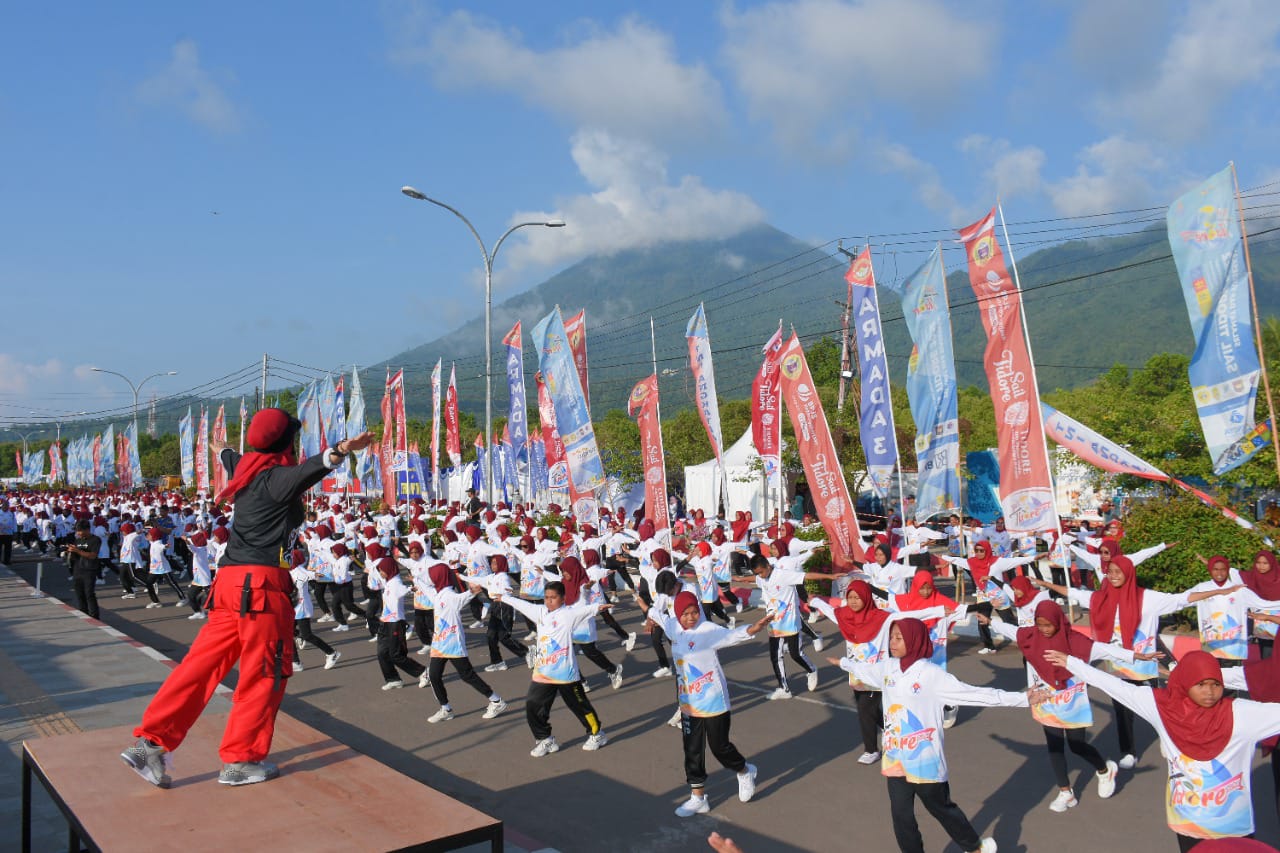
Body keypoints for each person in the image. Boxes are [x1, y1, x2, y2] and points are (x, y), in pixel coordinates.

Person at [120, 409, 372, 788]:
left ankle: (150, 743)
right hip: (262, 589)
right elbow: (311, 469)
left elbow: (231, 458)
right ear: (286, 443)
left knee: (198, 668)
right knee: (263, 674)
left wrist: (221, 449)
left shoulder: (246, 469)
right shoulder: (276, 478)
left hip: (228, 584)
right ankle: (241, 760)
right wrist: (341, 449)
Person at [836, 618, 1035, 853]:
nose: (892, 642)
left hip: (925, 759)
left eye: (899, 638)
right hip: (896, 757)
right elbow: (865, 670)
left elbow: (975, 694)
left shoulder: (932, 675)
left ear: (914, 640)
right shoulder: (888, 667)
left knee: (940, 808)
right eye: (891, 637)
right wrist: (844, 663)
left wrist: (1022, 699)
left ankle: (975, 847)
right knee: (901, 815)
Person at [1054, 648, 1280, 850]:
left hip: (1233, 827)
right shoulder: (1162, 706)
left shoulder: (1242, 714)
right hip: (1189, 825)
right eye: (1201, 684)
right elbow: (1117, 687)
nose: (1209, 692)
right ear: (1185, 682)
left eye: (1216, 684)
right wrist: (1073, 664)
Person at [1033, 557, 1240, 769]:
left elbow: (1182, 599)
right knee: (1122, 711)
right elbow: (1072, 592)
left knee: (1160, 708)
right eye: (1110, 572)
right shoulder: (1100, 598)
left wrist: (1220, 591)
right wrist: (1045, 583)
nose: (1113, 576)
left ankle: (1166, 736)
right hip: (1118, 667)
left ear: (1128, 573)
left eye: (1118, 572)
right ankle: (1128, 752)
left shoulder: (1147, 598)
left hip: (1144, 667)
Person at [979, 600, 1156, 812]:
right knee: (1054, 746)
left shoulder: (1075, 641)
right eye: (1039, 624)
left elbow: (1104, 650)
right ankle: (1066, 792)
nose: (1044, 629)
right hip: (1045, 700)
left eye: (1048, 625)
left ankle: (1104, 769)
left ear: (1058, 621)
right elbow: (1011, 630)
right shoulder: (1030, 636)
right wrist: (990, 622)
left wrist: (1135, 655)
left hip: (1072, 702)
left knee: (1076, 745)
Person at [637, 589, 772, 817]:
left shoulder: (707, 630)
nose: (691, 617)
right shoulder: (672, 626)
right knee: (692, 750)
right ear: (678, 614)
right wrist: (642, 603)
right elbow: (656, 614)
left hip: (713, 701)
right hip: (688, 702)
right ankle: (698, 798)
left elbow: (731, 636)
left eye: (694, 612)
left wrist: (753, 629)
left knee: (720, 747)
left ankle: (744, 770)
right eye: (686, 614)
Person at [809, 580, 945, 766]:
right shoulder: (844, 616)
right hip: (856, 674)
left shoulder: (882, 618)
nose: (854, 601)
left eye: (858, 597)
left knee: (865, 709)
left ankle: (871, 750)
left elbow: (909, 615)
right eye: (850, 597)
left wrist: (939, 611)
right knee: (871, 710)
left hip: (877, 674)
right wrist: (815, 600)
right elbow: (829, 610)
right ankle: (899, 734)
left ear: (866, 597)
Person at [493, 580, 610, 756]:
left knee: (579, 706)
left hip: (565, 673)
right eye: (546, 597)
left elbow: (585, 610)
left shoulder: (568, 615)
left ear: (562, 598)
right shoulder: (540, 612)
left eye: (553, 597)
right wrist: (505, 598)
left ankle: (597, 734)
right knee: (533, 705)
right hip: (543, 672)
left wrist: (599, 607)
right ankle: (545, 740)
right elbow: (522, 605)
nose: (549, 601)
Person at [731, 552, 828, 700]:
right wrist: (741, 579)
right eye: (757, 574)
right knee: (775, 656)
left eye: (761, 572)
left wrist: (830, 577)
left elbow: (806, 576)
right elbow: (755, 579)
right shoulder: (761, 577)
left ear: (767, 566)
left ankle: (811, 669)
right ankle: (784, 688)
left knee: (796, 654)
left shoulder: (783, 575)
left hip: (790, 622)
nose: (760, 576)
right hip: (774, 622)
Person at [422, 563, 506, 723]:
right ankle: (446, 709)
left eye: (432, 576)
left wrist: (472, 591)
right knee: (434, 675)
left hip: (453, 643)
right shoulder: (438, 594)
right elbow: (426, 589)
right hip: (439, 644)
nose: (430, 579)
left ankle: (496, 701)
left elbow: (462, 598)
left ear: (439, 577)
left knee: (467, 675)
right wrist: (416, 580)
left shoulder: (450, 595)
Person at [287, 549, 340, 671]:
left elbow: (316, 575)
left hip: (302, 608)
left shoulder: (301, 572)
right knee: (287, 632)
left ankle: (331, 653)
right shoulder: (289, 571)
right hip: (293, 607)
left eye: (288, 558)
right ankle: (296, 661)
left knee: (307, 635)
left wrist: (328, 574)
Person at [65, 520, 101, 619]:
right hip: (78, 569)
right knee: (79, 594)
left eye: (80, 531)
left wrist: (77, 550)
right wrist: (70, 551)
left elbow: (93, 555)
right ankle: (84, 614)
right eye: (77, 531)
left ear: (87, 529)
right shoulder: (78, 540)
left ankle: (94, 616)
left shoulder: (95, 540)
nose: (78, 533)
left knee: (89, 593)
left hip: (89, 569)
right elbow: (75, 556)